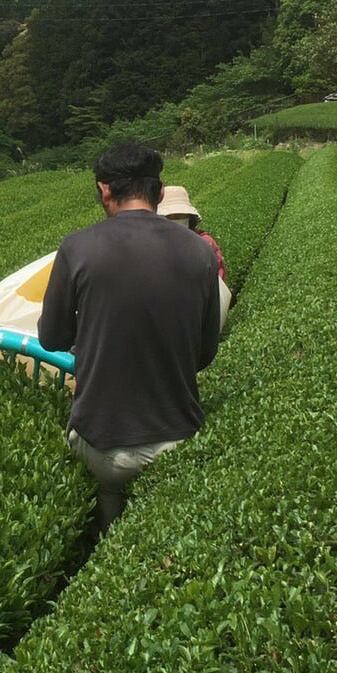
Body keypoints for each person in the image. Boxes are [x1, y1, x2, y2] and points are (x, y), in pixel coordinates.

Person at [38, 143, 219, 531]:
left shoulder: (77, 247)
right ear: (159, 190)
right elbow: (204, 355)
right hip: (178, 437)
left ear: (104, 190)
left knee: (108, 498)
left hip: (103, 446)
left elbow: (52, 338)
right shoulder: (200, 252)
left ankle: (105, 536)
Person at [158, 184, 226, 280]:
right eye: (169, 216)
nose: (175, 220)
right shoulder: (153, 244)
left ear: (189, 217)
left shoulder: (205, 243)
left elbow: (218, 279)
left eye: (179, 216)